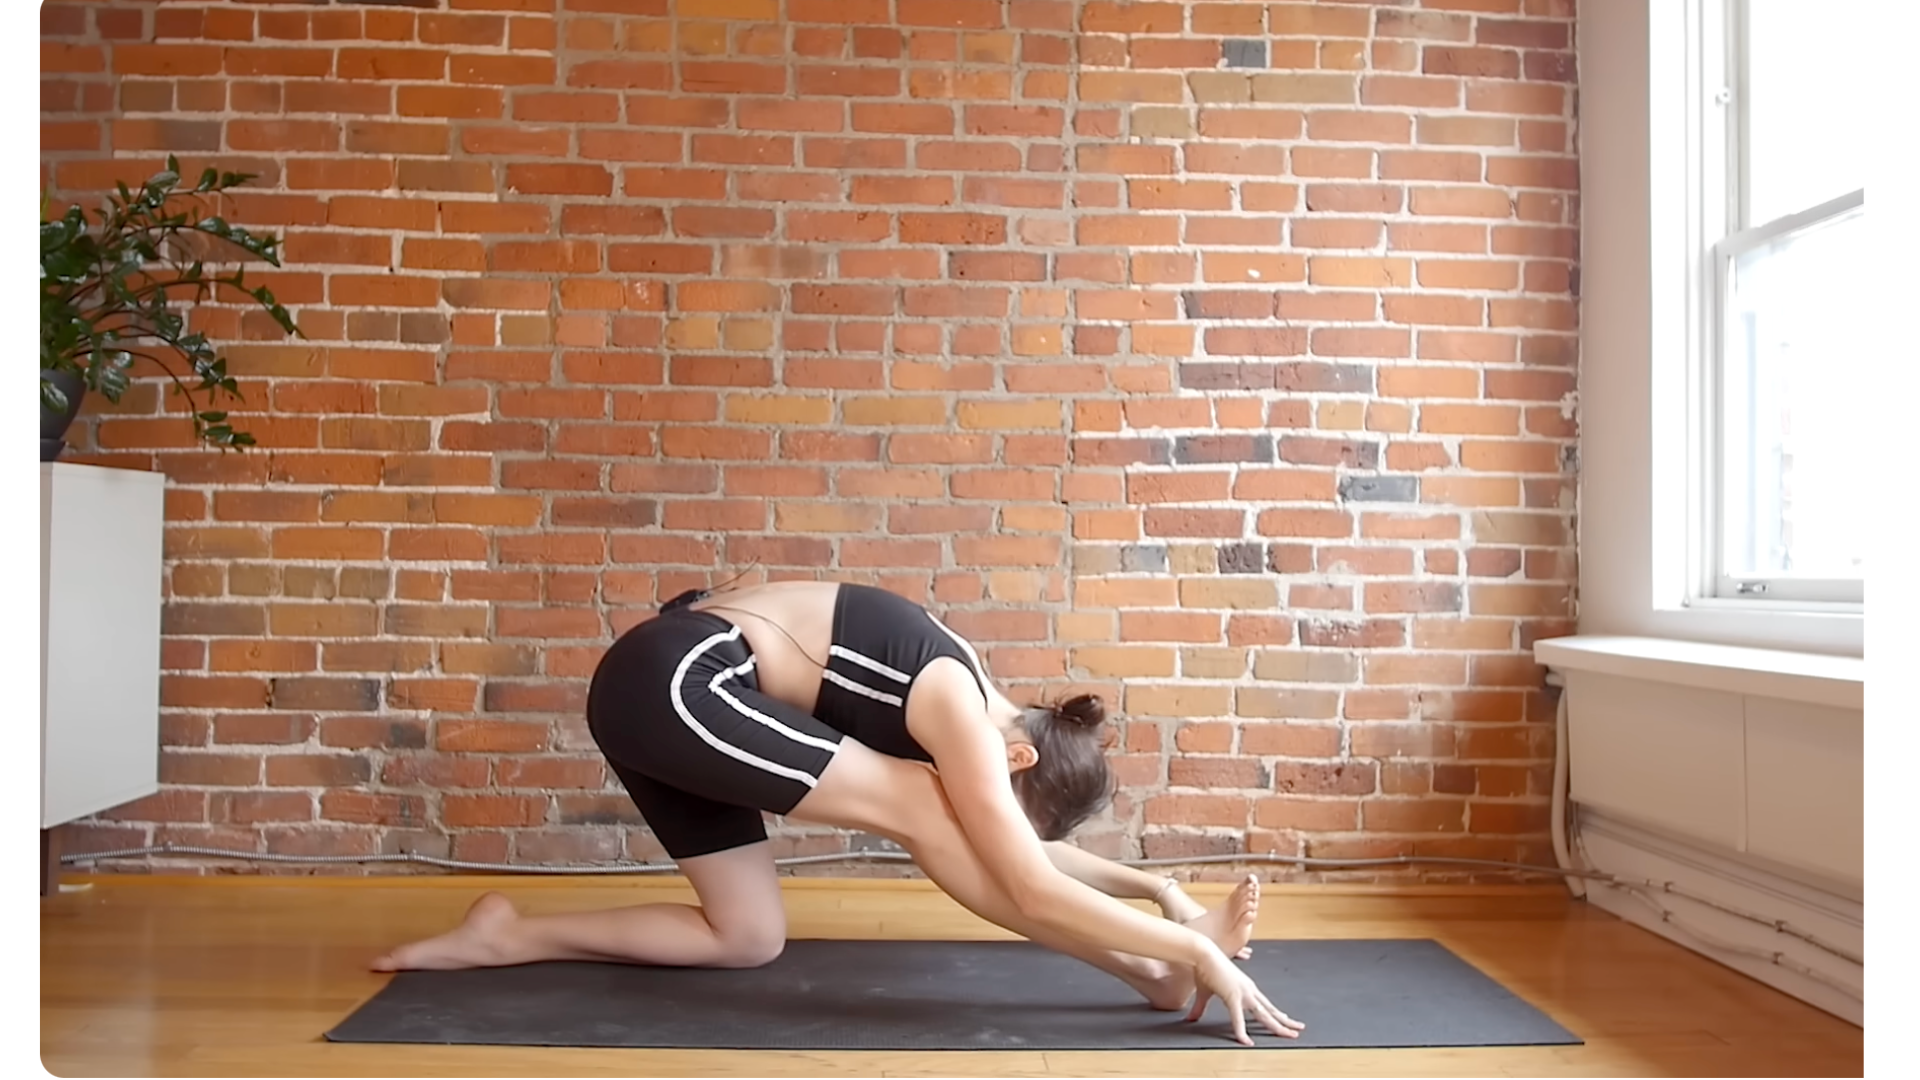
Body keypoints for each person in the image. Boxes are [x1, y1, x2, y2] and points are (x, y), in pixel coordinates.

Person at [374, 579, 1304, 1045]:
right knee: (923, 812)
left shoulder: (976, 703)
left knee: (745, 936)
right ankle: (1148, 981)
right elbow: (1017, 869)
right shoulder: (962, 716)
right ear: (1016, 758)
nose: (991, 808)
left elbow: (1010, 849)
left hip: (658, 696)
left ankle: (505, 936)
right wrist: (1187, 953)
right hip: (681, 682)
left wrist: (1159, 890)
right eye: (1006, 802)